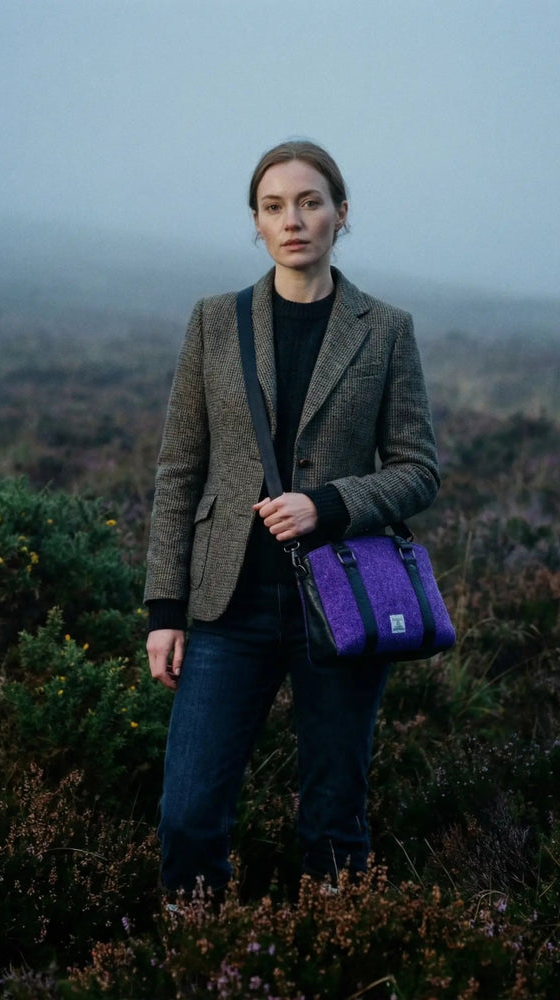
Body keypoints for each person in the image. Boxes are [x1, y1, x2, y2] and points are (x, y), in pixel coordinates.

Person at [144, 139, 439, 896]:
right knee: (186, 817)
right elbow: (180, 471)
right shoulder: (215, 322)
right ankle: (198, 964)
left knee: (334, 821)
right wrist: (164, 610)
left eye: (310, 202)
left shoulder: (385, 329)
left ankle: (333, 957)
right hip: (227, 605)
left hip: (340, 606)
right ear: (256, 223)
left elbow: (417, 469)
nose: (294, 220)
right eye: (274, 207)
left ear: (342, 214)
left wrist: (330, 505)